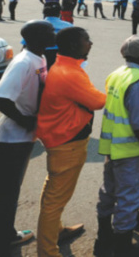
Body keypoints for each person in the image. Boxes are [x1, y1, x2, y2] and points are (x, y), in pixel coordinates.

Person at [0, 21, 55, 256]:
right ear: (38, 37)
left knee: (9, 194)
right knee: (4, 197)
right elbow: (0, 98)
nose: (54, 34)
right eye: (49, 32)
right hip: (9, 139)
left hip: (20, 140)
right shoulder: (23, 62)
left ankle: (6, 235)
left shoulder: (39, 58)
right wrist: (26, 121)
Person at [35, 27, 106, 257]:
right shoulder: (70, 72)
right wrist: (117, 87)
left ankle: (56, 232)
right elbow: (97, 101)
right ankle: (48, 251)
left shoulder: (65, 65)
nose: (91, 43)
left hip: (62, 140)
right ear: (75, 46)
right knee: (55, 200)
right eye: (87, 40)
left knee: (53, 192)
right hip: (66, 143)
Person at [95, 36, 139, 257]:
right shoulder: (138, 81)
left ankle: (103, 240)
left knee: (108, 192)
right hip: (131, 150)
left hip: (112, 147)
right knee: (128, 199)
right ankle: (122, 247)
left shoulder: (116, 75)